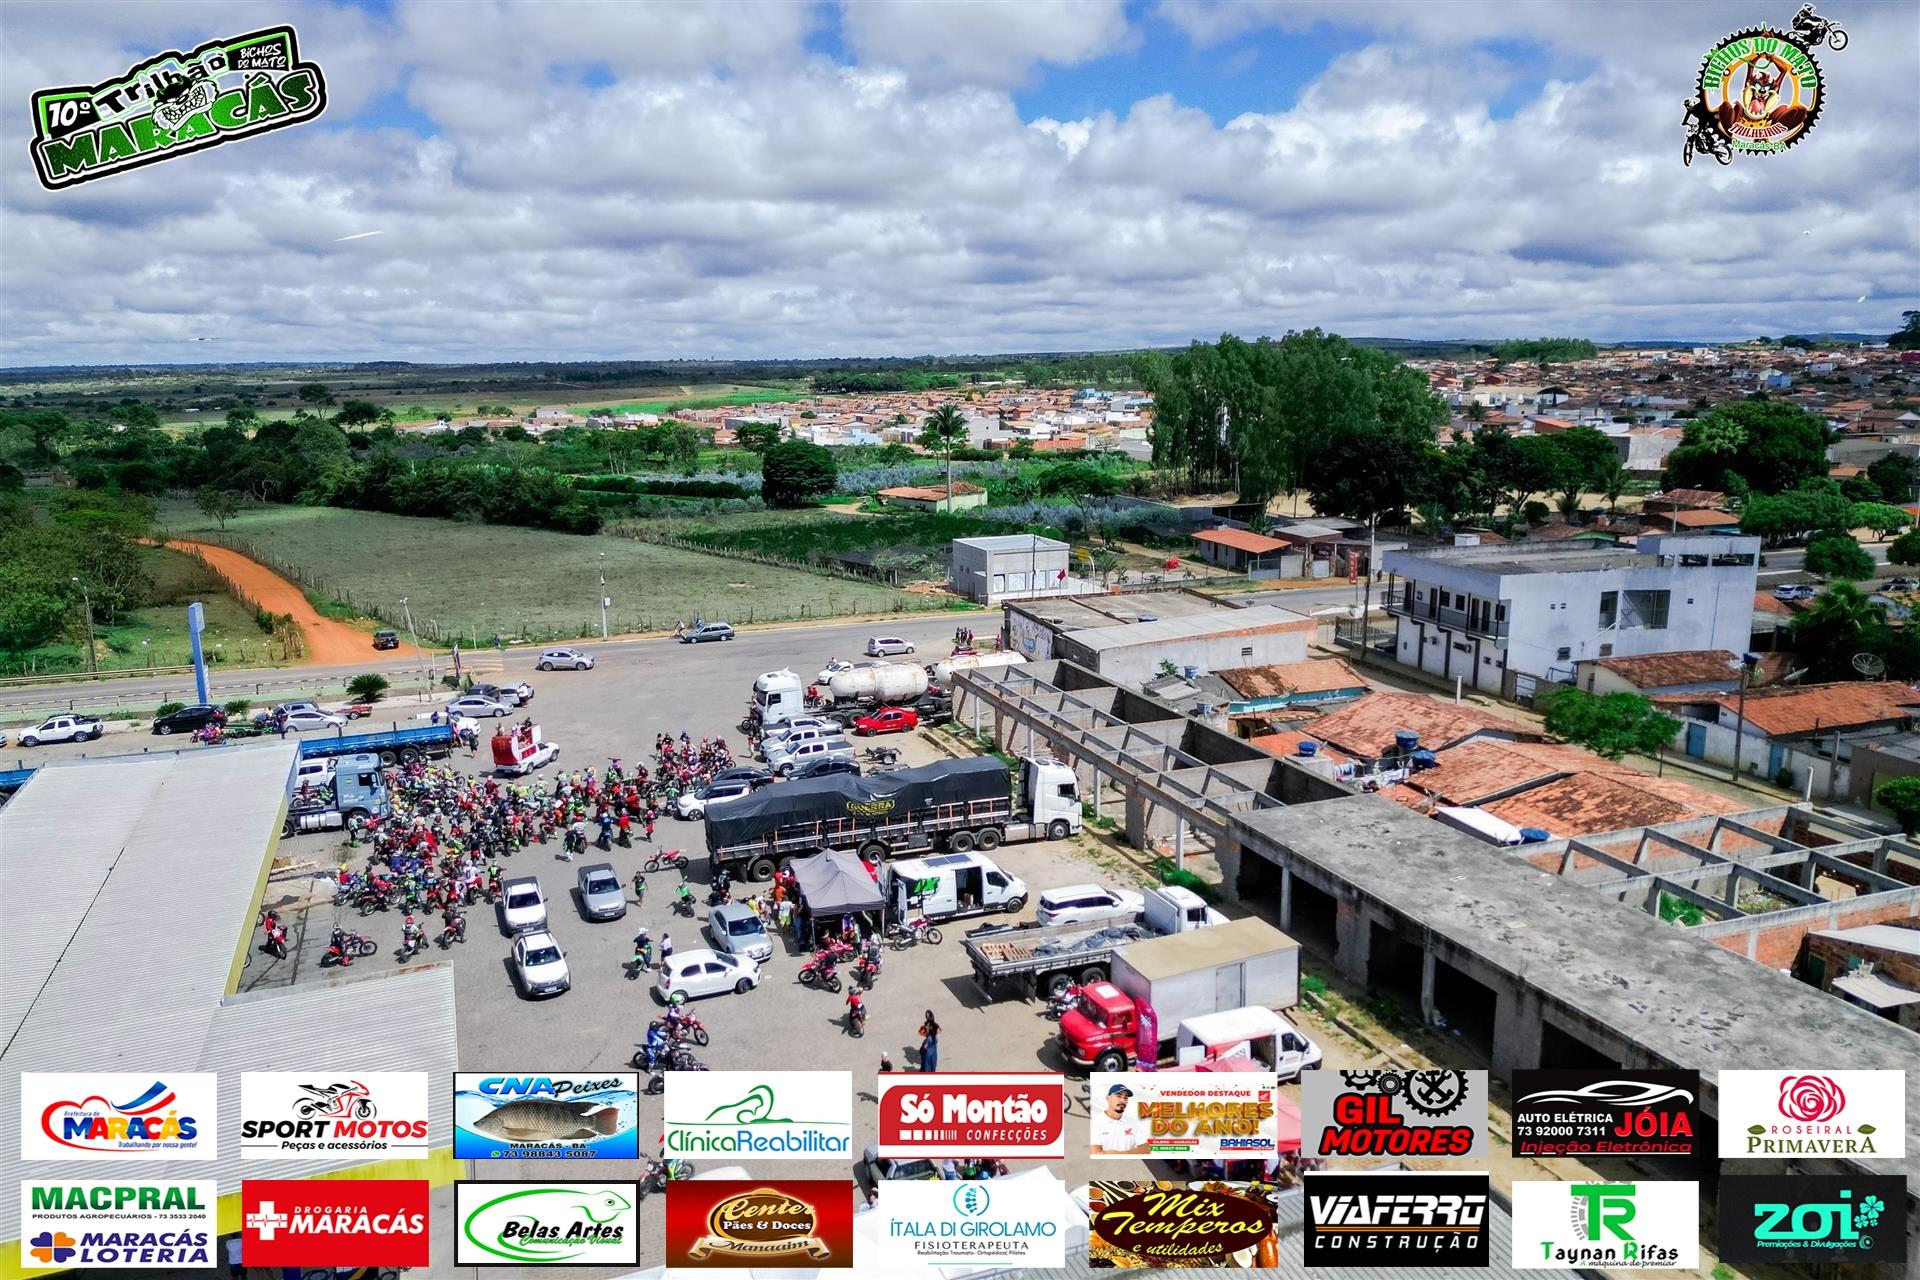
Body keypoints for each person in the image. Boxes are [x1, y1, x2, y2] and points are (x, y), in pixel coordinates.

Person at [1089, 1082, 1150, 1155]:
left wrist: (1124, 1153)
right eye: (1118, 1096)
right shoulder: (1096, 1123)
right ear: (1108, 1098)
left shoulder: (1133, 1122)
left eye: (1126, 1098)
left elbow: (1147, 1148)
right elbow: (1095, 1151)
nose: (1123, 1101)